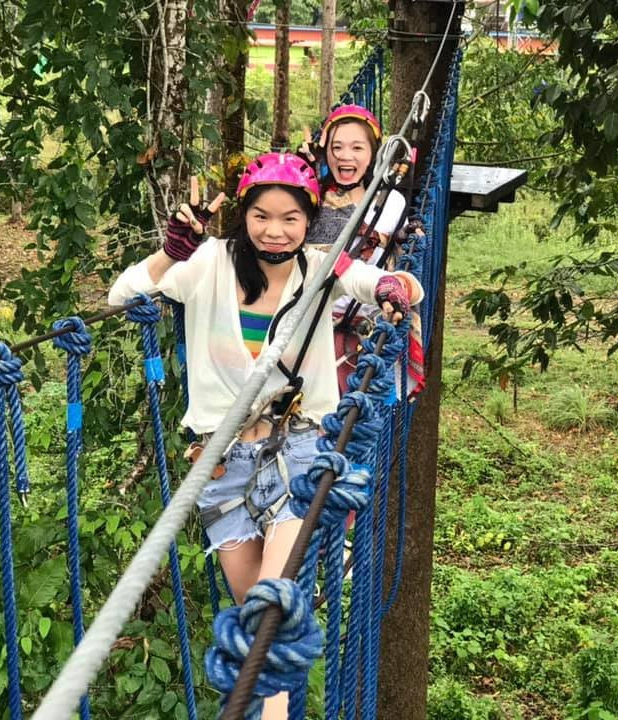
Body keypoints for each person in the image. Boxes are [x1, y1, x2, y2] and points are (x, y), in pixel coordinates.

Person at [108, 153, 421, 719]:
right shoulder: (207, 264)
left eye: (290, 218)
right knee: (257, 617)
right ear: (243, 216)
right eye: (261, 215)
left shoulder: (323, 266)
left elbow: (397, 285)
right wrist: (169, 254)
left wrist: (396, 291)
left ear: (309, 222)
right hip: (221, 463)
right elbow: (121, 296)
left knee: (270, 610)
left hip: (299, 450)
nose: (274, 230)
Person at [300, 104, 426, 396]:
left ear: (373, 154)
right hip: (312, 330)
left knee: (360, 422)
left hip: (370, 334)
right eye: (337, 147)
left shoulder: (390, 203)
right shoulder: (308, 200)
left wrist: (405, 235)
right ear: (325, 150)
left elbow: (393, 248)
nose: (346, 156)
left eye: (357, 147)